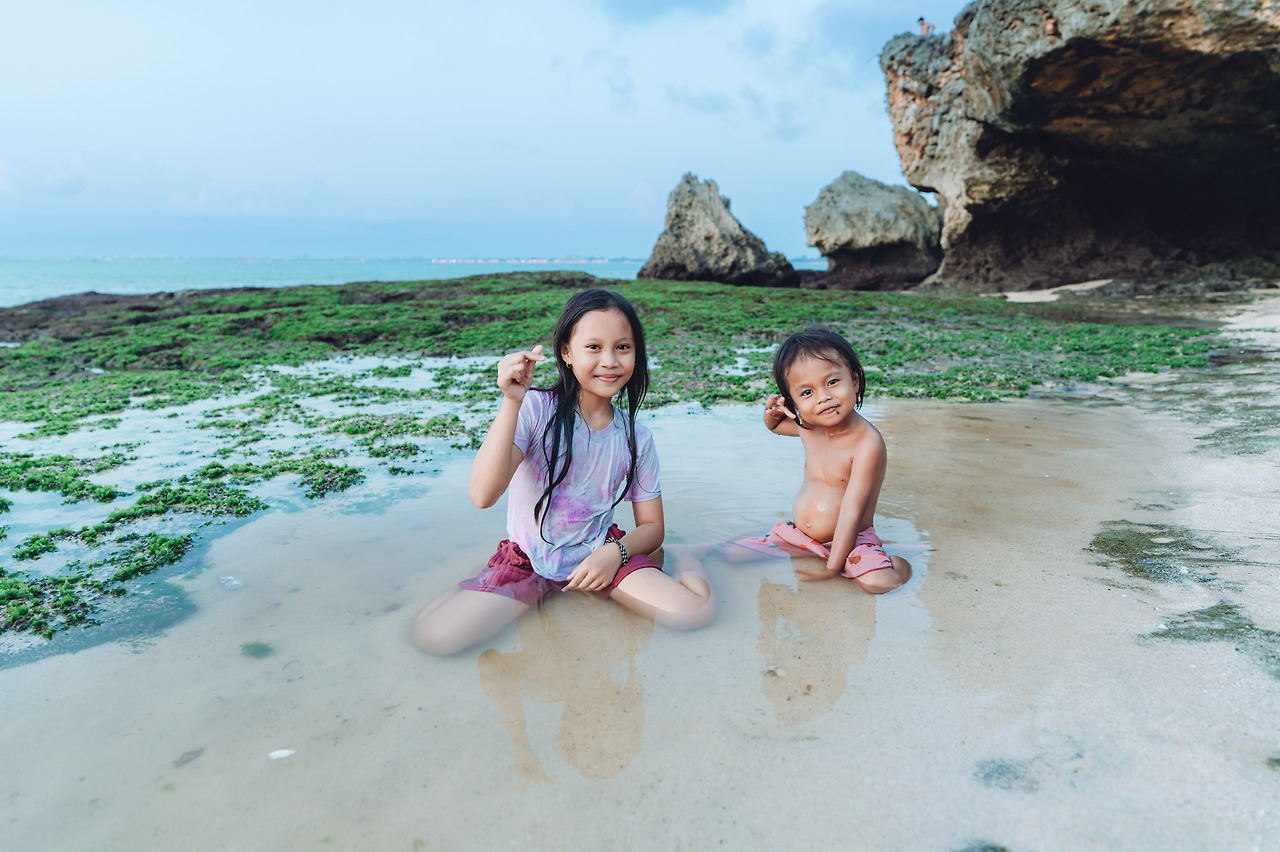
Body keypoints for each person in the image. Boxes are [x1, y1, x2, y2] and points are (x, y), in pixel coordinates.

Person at [412, 289, 716, 655]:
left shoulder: (637, 437)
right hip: (528, 560)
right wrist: (511, 402)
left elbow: (652, 528)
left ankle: (690, 557)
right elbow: (482, 495)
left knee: (692, 613)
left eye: (623, 347)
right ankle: (492, 574)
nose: (610, 361)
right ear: (566, 353)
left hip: (600, 554)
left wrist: (615, 554)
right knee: (435, 638)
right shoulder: (535, 409)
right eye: (594, 347)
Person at [761, 328, 912, 594]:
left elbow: (851, 512)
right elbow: (776, 427)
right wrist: (771, 413)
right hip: (800, 536)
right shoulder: (810, 426)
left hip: (852, 541)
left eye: (832, 382)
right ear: (793, 402)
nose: (823, 397)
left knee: (878, 583)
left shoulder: (866, 443)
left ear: (854, 381)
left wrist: (833, 567)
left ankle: (898, 564)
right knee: (731, 556)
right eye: (807, 393)